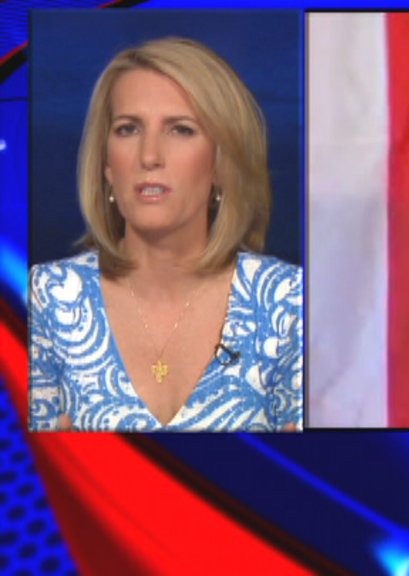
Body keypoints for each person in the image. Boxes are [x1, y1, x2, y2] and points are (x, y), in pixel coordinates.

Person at [28, 37, 303, 432]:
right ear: (107, 166)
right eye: (128, 129)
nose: (149, 156)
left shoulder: (288, 301)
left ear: (221, 163)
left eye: (181, 130)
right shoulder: (46, 298)